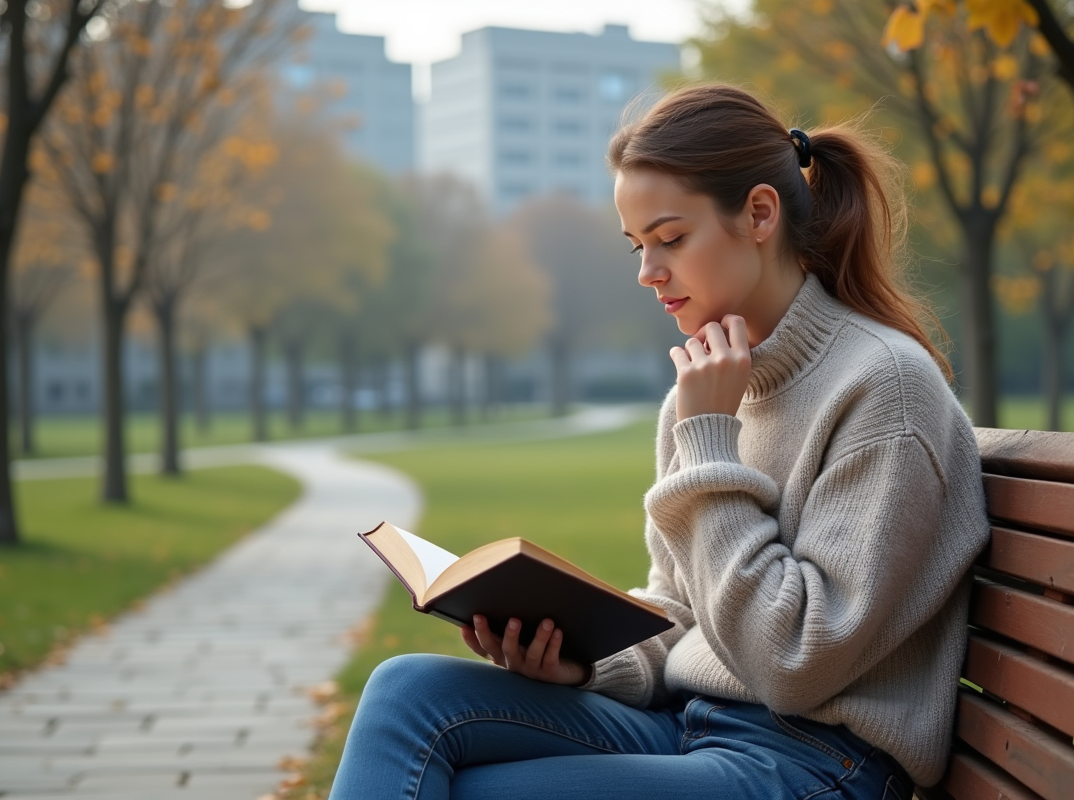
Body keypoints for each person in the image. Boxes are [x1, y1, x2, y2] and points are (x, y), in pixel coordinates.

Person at [328, 83, 990, 800]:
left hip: (818, 765)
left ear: (760, 214)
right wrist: (582, 665)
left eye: (670, 239)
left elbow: (796, 663)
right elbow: (682, 614)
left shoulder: (884, 389)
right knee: (406, 693)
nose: (647, 272)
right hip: (694, 725)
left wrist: (709, 440)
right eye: (638, 245)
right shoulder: (700, 392)